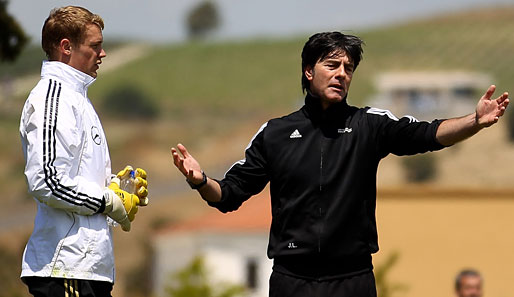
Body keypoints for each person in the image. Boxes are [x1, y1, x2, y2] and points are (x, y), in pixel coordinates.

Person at [171, 32, 509, 296]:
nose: (341, 74)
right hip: (292, 281)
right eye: (332, 65)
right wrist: (200, 181)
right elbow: (229, 196)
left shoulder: (370, 125)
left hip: (352, 280)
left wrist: (474, 122)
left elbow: (428, 134)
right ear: (308, 71)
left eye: (348, 68)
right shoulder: (275, 133)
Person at [19, 6, 148, 297]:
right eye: (95, 46)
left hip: (87, 270)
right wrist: (109, 200)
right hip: (65, 269)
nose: (102, 54)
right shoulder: (52, 97)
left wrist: (119, 190)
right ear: (66, 47)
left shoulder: (77, 98)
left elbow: (76, 179)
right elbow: (47, 181)